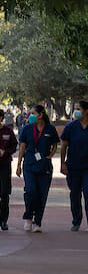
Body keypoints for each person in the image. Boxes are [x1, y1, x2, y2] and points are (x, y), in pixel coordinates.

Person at [16, 104, 58, 233]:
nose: (31, 115)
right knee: (30, 191)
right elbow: (22, 146)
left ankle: (37, 221)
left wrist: (50, 156)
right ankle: (28, 216)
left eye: (33, 113)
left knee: (42, 193)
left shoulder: (50, 129)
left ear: (40, 115)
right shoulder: (27, 129)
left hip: (44, 165)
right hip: (29, 163)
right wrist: (18, 164)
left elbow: (55, 144)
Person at [60, 99, 88, 231]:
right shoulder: (70, 127)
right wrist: (62, 163)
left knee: (87, 192)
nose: (76, 111)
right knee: (75, 194)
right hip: (73, 166)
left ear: (86, 111)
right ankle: (76, 220)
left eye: (78, 109)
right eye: (75, 109)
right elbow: (64, 146)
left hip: (87, 167)